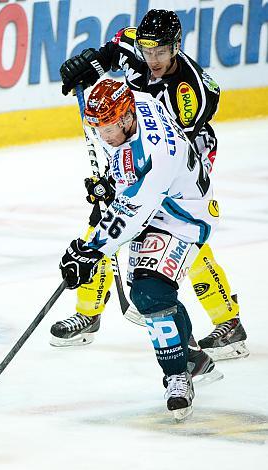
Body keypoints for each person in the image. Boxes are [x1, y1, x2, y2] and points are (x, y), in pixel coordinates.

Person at [52, 9, 248, 362]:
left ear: (176, 47)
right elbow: (112, 52)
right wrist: (90, 65)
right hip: (133, 143)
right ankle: (88, 311)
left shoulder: (190, 94)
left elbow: (168, 155)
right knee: (105, 224)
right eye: (147, 50)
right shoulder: (135, 46)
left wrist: (126, 184)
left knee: (178, 236)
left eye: (160, 51)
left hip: (182, 161)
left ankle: (228, 321)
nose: (152, 59)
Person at [59, 78, 219, 420]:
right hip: (160, 202)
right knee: (154, 295)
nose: (102, 135)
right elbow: (128, 171)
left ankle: (178, 374)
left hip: (183, 217)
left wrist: (91, 251)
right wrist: (113, 184)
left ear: (127, 118)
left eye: (106, 127)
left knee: (148, 293)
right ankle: (192, 356)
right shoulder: (137, 99)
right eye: (97, 127)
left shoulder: (158, 154)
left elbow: (132, 211)